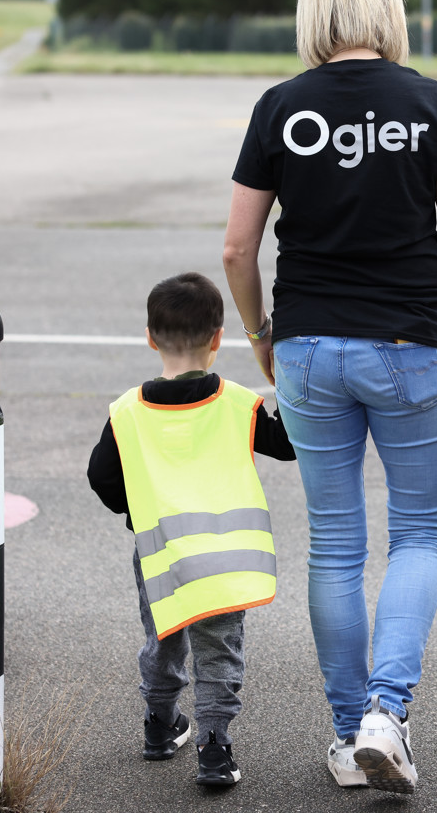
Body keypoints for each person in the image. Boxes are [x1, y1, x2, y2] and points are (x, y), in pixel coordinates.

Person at [221, 0, 437, 795]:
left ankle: (347, 740)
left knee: (335, 547)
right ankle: (386, 712)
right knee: (417, 534)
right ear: (385, 7)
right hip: (415, 343)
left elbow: (236, 246)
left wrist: (265, 337)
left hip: (306, 345)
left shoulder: (282, 106)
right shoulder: (429, 101)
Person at [87, 271, 296, 788]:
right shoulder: (237, 403)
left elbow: (101, 478)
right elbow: (289, 444)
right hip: (226, 559)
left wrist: (135, 512)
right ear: (218, 339)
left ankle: (159, 725)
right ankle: (214, 745)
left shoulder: (127, 412)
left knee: (164, 636)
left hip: (158, 554)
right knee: (218, 645)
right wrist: (286, 377)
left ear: (151, 337)